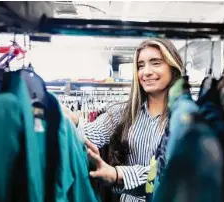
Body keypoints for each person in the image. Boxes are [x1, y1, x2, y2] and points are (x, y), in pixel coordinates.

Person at [68, 38, 183, 202]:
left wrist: (117, 175)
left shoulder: (186, 119)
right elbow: (88, 137)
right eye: (140, 65)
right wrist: (69, 119)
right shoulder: (121, 113)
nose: (146, 72)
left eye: (155, 63)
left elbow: (171, 171)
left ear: (173, 67)